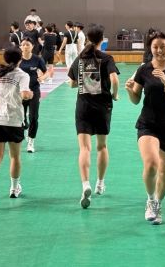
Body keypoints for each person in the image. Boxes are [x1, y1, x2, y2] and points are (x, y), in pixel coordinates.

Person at [125, 31, 165, 226]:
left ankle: (158, 203)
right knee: (151, 164)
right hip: (147, 123)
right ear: (150, 49)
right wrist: (129, 90)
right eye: (155, 47)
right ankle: (151, 199)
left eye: (163, 46)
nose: (159, 50)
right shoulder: (144, 70)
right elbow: (135, 100)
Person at [68, 25, 120, 209]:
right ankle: (100, 183)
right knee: (101, 146)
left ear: (88, 39)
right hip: (102, 107)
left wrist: (85, 82)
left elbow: (71, 84)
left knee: (84, 148)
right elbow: (114, 80)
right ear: (102, 39)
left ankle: (85, 184)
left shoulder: (80, 58)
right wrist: (115, 94)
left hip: (83, 107)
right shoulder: (106, 58)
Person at [0, 47, 33, 203]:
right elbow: (25, 95)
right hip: (13, 120)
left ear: (5, 58)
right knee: (15, 156)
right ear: (20, 60)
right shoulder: (22, 75)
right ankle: (14, 188)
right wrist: (30, 94)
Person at [19, 36, 48, 153]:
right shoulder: (17, 59)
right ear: (20, 47)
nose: (25, 47)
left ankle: (31, 141)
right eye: (23, 44)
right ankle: (24, 125)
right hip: (20, 92)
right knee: (21, 118)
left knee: (34, 117)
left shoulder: (37, 59)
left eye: (28, 45)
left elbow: (46, 72)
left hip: (34, 91)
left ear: (32, 46)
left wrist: (42, 78)